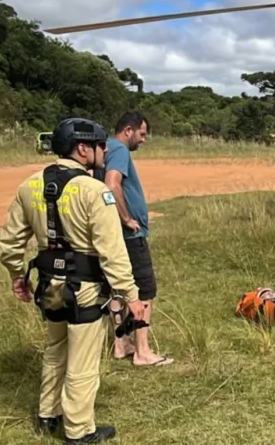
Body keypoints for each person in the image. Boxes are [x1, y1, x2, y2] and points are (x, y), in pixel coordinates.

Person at [0, 117, 145, 443]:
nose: (105, 150)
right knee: (82, 362)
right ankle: (79, 431)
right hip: (86, 290)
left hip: (49, 286)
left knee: (55, 350)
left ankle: (48, 416)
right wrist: (130, 294)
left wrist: (17, 276)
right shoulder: (96, 191)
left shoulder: (30, 185)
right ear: (82, 148)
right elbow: (112, 252)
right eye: (99, 145)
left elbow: (9, 244)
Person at [94, 111, 173, 366]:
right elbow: (112, 183)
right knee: (145, 289)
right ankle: (142, 351)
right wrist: (128, 219)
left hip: (111, 234)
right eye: (141, 134)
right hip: (129, 235)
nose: (143, 140)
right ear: (128, 130)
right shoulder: (118, 149)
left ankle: (121, 344)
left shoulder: (102, 149)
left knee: (116, 288)